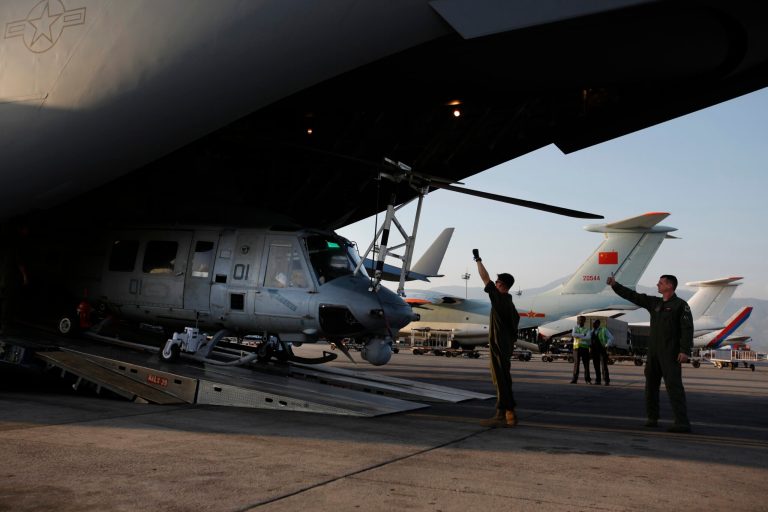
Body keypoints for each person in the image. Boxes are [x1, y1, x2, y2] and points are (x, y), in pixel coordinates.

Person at [607, 274, 693, 433]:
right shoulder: (655, 303)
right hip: (653, 353)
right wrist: (615, 285)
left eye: (661, 283)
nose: (657, 285)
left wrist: (685, 350)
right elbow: (634, 296)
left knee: (674, 387)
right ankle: (652, 418)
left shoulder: (680, 305)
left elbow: (687, 329)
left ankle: (682, 422)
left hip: (671, 353)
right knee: (650, 386)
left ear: (670, 286)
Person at [473, 248, 520, 428]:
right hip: (505, 346)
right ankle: (506, 413)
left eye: (498, 282)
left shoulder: (500, 301)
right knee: (503, 379)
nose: (495, 283)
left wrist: (478, 259)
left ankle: (505, 413)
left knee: (499, 379)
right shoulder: (510, 304)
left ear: (502, 286)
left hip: (499, 346)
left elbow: (485, 278)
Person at [589, 319, 613, 386]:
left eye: (594, 323)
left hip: (602, 350)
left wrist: (607, 345)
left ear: (598, 324)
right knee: (596, 366)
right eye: (592, 324)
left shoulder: (604, 330)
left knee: (604, 366)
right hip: (594, 351)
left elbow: (611, 338)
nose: (593, 325)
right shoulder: (592, 331)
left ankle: (606, 381)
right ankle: (598, 380)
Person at [570, 316, 591, 384]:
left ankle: (587, 380)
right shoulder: (575, 328)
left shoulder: (587, 329)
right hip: (576, 348)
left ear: (584, 321)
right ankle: (574, 379)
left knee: (586, 365)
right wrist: (583, 335)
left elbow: (588, 337)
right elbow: (573, 334)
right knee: (576, 364)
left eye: (582, 320)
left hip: (585, 348)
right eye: (579, 320)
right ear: (577, 321)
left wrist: (578, 336)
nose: (580, 321)